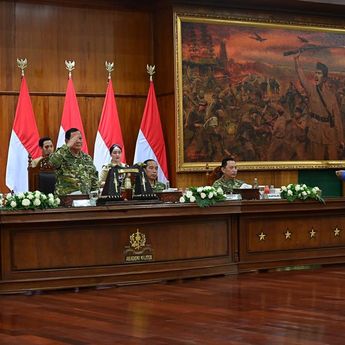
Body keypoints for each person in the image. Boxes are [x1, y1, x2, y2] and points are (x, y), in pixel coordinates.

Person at [294, 55, 344, 160]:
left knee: (333, 159)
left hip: (329, 133)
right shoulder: (311, 90)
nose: (316, 75)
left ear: (325, 78)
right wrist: (296, 61)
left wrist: (341, 139)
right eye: (315, 73)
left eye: (319, 73)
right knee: (317, 160)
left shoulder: (331, 96)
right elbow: (302, 77)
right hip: (315, 132)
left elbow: (338, 119)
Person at [49, 128, 98, 196]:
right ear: (67, 141)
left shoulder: (87, 158)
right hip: (66, 200)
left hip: (86, 200)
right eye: (74, 139)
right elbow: (52, 163)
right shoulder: (61, 155)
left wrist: (95, 197)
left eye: (80, 138)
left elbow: (94, 179)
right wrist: (67, 146)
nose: (78, 141)